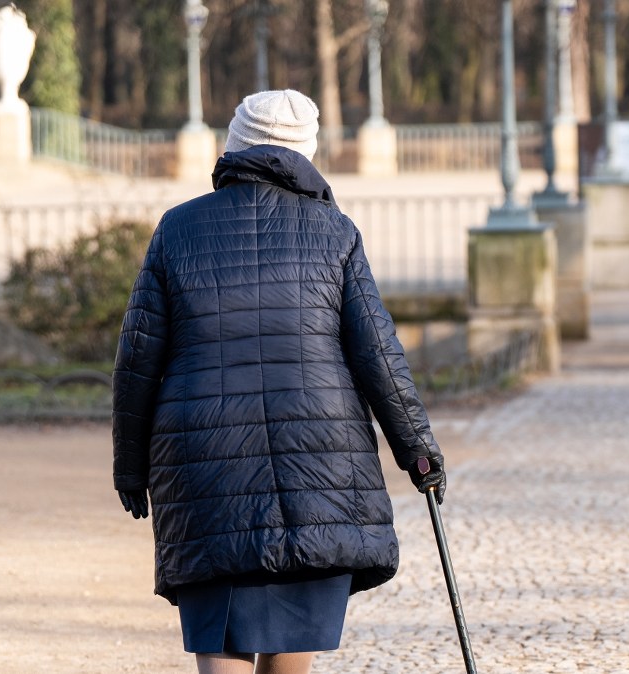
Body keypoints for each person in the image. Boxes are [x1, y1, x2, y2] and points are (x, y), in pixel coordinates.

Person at [112, 89, 447, 674]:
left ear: (234, 145)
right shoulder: (334, 231)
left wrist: (130, 466)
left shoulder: (177, 229)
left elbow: (137, 359)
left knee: (220, 632)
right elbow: (379, 356)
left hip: (206, 463)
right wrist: (417, 452)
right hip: (317, 463)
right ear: (306, 153)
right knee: (295, 621)